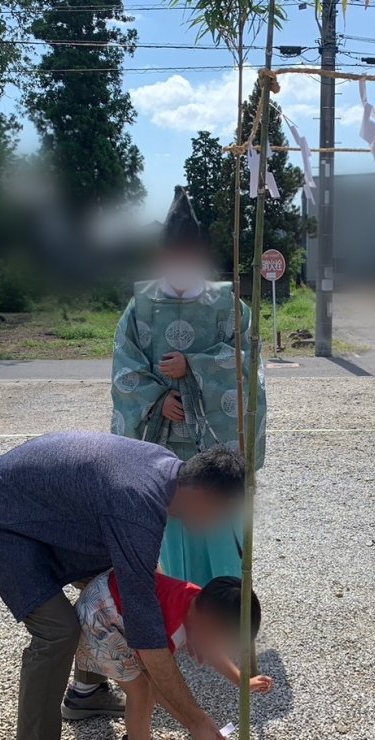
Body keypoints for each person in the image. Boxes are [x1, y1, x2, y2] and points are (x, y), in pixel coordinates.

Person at [0, 432, 245, 740]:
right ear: (202, 496)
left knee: (109, 589)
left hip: (36, 511)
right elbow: (147, 638)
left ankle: (86, 692)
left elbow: (140, 580)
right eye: (219, 514)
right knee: (57, 631)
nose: (215, 526)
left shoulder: (164, 476)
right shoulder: (137, 505)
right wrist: (197, 722)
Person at [111, 185, 267, 585]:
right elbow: (125, 367)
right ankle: (180, 605)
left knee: (218, 522)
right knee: (171, 523)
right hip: (161, 440)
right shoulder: (140, 307)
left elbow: (248, 363)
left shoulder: (230, 305)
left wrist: (193, 366)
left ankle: (225, 605)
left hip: (213, 448)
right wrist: (156, 400)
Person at [74, 571, 272, 740]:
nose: (221, 644)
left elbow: (210, 648)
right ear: (208, 623)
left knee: (145, 686)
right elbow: (160, 684)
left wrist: (241, 680)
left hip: (113, 603)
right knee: (142, 692)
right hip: (99, 619)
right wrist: (196, 726)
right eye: (222, 637)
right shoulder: (170, 626)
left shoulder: (200, 603)